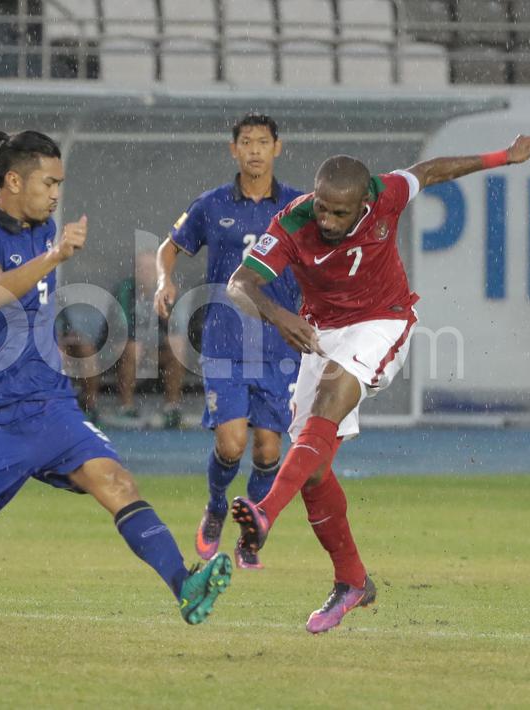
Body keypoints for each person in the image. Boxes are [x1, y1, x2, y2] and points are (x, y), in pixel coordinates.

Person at [0, 129, 232, 643]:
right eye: (49, 182)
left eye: (59, 184)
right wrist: (53, 258)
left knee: (117, 484)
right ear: (14, 180)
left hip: (49, 406)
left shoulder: (43, 225)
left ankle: (185, 586)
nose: (56, 194)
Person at [226, 135, 530, 632]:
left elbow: (433, 170)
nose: (327, 222)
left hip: (384, 319)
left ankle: (266, 512)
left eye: (338, 214)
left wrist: (502, 157)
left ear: (363, 205)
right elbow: (240, 284)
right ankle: (352, 581)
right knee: (312, 469)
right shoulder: (293, 221)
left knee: (332, 397)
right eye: (322, 210)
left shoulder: (388, 194)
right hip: (320, 331)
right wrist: (277, 314)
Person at [155, 113, 304, 570]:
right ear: (233, 149)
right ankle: (217, 505)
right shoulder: (211, 204)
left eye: (263, 142)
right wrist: (165, 280)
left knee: (268, 450)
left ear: (278, 148)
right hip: (225, 341)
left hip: (280, 344)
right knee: (231, 445)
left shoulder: (301, 208)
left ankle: (250, 533)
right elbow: (170, 246)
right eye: (246, 142)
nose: (255, 149)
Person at [114, 248, 188, 429]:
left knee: (177, 344)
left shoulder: (165, 289)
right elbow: (121, 327)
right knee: (133, 348)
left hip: (156, 349)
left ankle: (171, 406)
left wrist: (164, 313)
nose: (146, 272)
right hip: (123, 347)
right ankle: (126, 406)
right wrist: (141, 346)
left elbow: (175, 328)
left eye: (150, 268)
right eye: (142, 268)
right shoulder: (125, 289)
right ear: (135, 271)